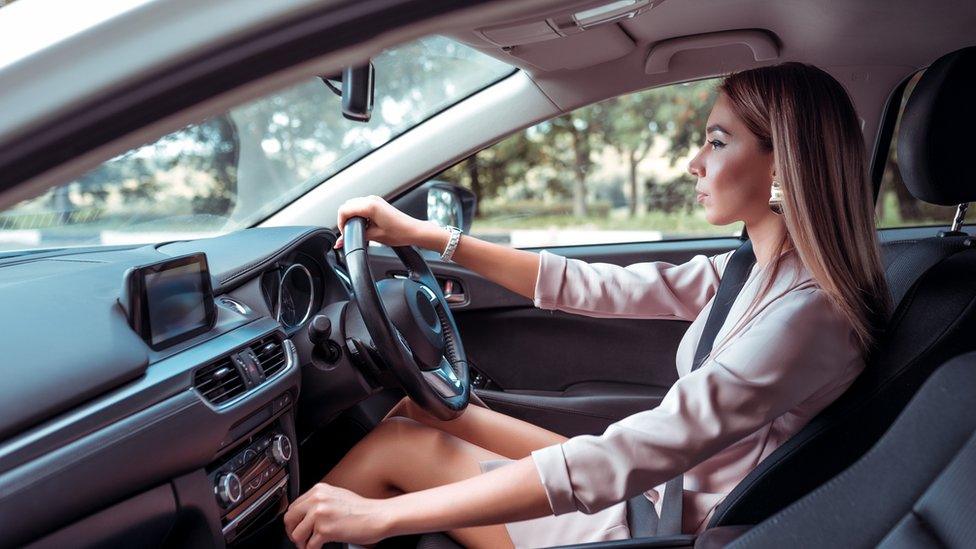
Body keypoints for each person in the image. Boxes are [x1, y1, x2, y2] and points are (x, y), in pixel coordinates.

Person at [282, 62, 891, 549]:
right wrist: (425, 235)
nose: (694, 162)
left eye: (717, 141)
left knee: (398, 449)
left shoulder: (806, 317)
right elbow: (590, 285)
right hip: (654, 492)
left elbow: (633, 453)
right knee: (425, 411)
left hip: (651, 527)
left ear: (780, 160)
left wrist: (381, 518)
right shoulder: (756, 270)